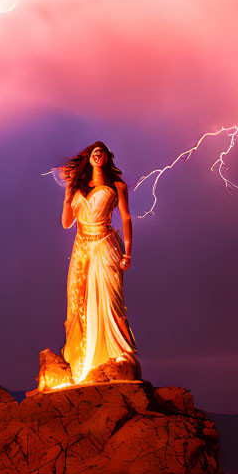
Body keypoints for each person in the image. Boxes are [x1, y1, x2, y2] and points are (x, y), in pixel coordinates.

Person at [55, 141, 139, 384]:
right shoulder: (77, 186)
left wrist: (129, 252)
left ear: (107, 158)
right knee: (81, 300)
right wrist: (67, 195)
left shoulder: (118, 186)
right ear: (89, 158)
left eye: (101, 152)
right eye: (94, 152)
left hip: (106, 247)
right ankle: (86, 363)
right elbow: (66, 223)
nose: (98, 155)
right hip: (82, 249)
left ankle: (119, 354)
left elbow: (126, 217)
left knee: (110, 301)